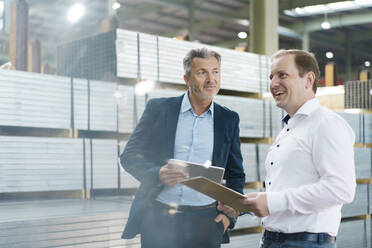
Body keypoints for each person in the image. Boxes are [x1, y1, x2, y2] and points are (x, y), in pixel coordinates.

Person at [220, 49, 356, 248]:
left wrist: (271, 202)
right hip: (273, 240)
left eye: (282, 75)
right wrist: (247, 205)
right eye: (271, 76)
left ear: (308, 80)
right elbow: (285, 188)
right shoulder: (289, 129)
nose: (273, 84)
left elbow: (341, 189)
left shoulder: (326, 124)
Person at [120, 47, 246, 248]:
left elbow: (236, 174)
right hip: (160, 218)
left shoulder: (228, 119)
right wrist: (157, 173)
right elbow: (129, 156)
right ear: (187, 79)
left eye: (215, 72)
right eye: (201, 73)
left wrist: (228, 218)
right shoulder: (159, 109)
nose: (210, 79)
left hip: (207, 222)